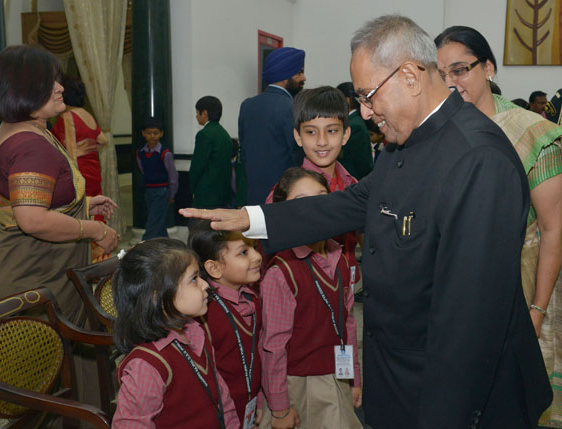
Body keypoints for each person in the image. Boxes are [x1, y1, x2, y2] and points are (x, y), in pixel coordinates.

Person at [181, 15, 553, 428]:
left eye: (369, 95)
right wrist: (251, 217)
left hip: (457, 397)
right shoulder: (406, 140)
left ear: (410, 75)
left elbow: (469, 325)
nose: (364, 110)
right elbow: (352, 203)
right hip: (401, 377)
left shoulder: (479, 159)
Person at [435, 25, 562, 427]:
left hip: (521, 281)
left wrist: (538, 309)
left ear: (488, 67)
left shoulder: (531, 131)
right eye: (441, 75)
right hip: (456, 284)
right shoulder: (437, 134)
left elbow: (552, 228)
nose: (451, 83)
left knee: (517, 395)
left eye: (460, 70)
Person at [0, 45, 118, 326]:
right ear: (23, 89)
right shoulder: (30, 146)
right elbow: (33, 220)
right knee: (59, 363)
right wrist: (96, 229)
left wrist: (83, 205)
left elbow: (20, 202)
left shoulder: (15, 128)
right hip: (36, 279)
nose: (60, 87)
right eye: (48, 82)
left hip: (21, 271)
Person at [259, 167, 362, 429]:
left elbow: (346, 324)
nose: (314, 208)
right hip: (299, 384)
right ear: (282, 211)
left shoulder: (338, 257)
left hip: (336, 376)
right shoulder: (281, 273)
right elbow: (274, 347)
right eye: (302, 201)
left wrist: (352, 378)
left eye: (322, 198)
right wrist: (280, 409)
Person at [112, 238, 240, 428]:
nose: (205, 285)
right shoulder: (146, 366)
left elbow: (221, 396)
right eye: (194, 279)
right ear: (158, 297)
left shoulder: (197, 334)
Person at [265, 86, 360, 287]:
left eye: (332, 131)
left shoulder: (353, 185)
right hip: (303, 294)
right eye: (311, 132)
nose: (322, 141)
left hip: (344, 288)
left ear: (345, 134)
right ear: (298, 137)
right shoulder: (284, 193)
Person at [188, 220, 263, 427]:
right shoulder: (205, 313)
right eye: (244, 252)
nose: (257, 256)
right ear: (214, 268)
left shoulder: (253, 298)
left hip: (249, 404)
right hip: (218, 414)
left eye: (254, 248)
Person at [239, 47, 306, 205]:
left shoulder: (247, 105)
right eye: (299, 73)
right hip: (282, 197)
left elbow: (244, 153)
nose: (304, 78)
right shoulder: (292, 107)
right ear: (284, 76)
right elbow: (297, 155)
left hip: (253, 196)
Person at [52, 76, 107, 200]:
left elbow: (71, 151)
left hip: (80, 171)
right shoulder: (88, 114)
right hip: (93, 168)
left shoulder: (68, 116)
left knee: (83, 208)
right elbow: (103, 140)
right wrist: (89, 147)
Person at [136, 118, 179, 239]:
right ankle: (166, 245)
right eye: (149, 133)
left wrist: (172, 195)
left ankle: (143, 245)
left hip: (162, 191)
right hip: (149, 191)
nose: (152, 136)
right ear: (143, 133)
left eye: (155, 133)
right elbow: (143, 170)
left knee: (153, 223)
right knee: (158, 222)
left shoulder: (165, 154)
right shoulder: (140, 153)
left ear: (161, 134)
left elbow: (173, 176)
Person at [189, 96, 233, 209]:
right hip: (224, 195)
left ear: (204, 113)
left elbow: (197, 166)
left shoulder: (204, 134)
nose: (196, 116)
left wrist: (192, 189)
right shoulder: (225, 134)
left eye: (197, 112)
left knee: (201, 226)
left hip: (206, 195)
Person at [336, 82, 373, 180]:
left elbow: (361, 162)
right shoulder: (351, 121)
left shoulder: (355, 125)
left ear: (347, 100)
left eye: (337, 99)